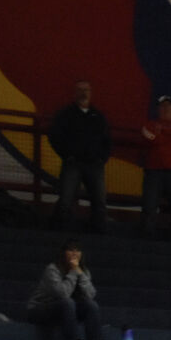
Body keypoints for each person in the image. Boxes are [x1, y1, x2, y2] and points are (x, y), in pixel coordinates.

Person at [47, 78, 111, 231]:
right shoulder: (66, 114)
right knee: (66, 198)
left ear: (91, 93)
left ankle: (98, 230)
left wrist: (102, 158)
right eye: (80, 90)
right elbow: (54, 136)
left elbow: (107, 139)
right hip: (73, 162)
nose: (84, 93)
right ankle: (60, 230)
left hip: (93, 164)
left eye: (86, 90)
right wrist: (67, 155)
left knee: (99, 200)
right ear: (74, 93)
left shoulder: (98, 116)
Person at [27, 240, 106, 340]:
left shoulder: (83, 271)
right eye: (70, 250)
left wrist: (80, 274)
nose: (74, 253)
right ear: (63, 253)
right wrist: (73, 272)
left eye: (77, 251)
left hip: (67, 311)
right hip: (41, 309)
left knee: (91, 305)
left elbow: (91, 294)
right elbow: (62, 294)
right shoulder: (53, 269)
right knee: (67, 302)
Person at [138, 96, 171, 240]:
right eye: (162, 106)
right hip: (154, 171)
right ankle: (146, 238)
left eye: (169, 106)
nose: (166, 109)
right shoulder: (149, 125)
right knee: (149, 207)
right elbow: (149, 137)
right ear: (157, 109)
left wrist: (162, 132)